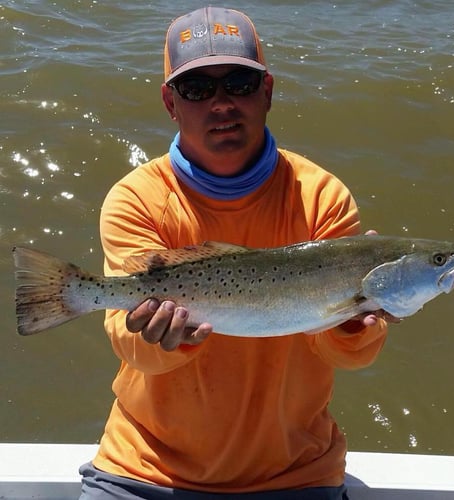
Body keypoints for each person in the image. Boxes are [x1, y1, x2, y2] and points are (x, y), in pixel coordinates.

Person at [79, 6, 391, 499]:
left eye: (239, 84)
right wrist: (163, 338)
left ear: (267, 91)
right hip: (143, 468)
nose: (221, 103)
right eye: (198, 88)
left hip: (296, 475)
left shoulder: (322, 197)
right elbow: (129, 342)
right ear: (170, 102)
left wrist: (354, 323)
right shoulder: (136, 199)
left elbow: (343, 355)